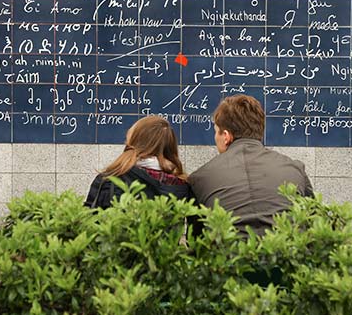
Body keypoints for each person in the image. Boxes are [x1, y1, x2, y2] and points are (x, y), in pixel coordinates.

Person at [188, 95, 314, 235]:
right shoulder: (295, 170)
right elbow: (312, 223)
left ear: (226, 136)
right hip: (286, 253)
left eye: (215, 131)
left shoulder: (200, 178)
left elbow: (196, 240)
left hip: (227, 255)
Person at [85, 115, 193, 209]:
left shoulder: (109, 180)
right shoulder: (182, 186)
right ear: (171, 146)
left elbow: (89, 222)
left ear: (132, 141)